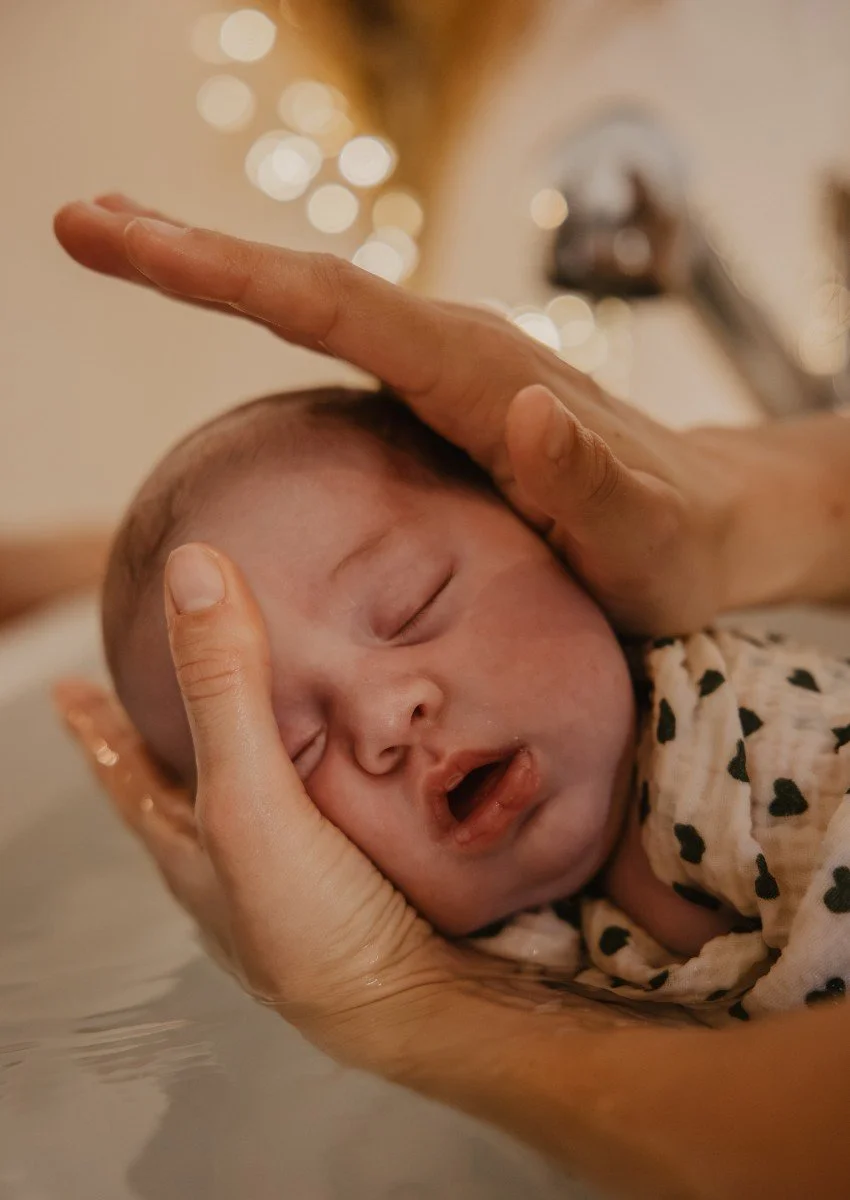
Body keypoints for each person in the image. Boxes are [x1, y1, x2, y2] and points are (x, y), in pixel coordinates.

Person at [54, 196, 850, 1198]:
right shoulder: (503, 948)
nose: (387, 720)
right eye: (295, 752)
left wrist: (405, 1006)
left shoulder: (739, 727)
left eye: (411, 605)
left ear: (554, 533)